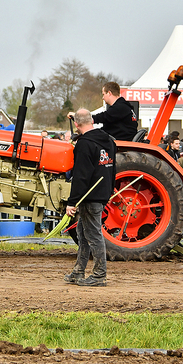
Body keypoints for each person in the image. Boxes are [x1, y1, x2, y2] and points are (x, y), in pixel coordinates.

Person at [63, 108, 116, 287]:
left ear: (76, 124)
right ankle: (78, 271)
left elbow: (81, 176)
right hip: (101, 193)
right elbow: (113, 168)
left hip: (90, 196)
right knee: (83, 233)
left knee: (93, 234)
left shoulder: (84, 144)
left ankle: (100, 275)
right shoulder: (109, 140)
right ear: (92, 120)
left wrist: (71, 202)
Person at [68, 81, 138, 141]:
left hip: (119, 142)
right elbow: (108, 124)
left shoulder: (120, 107)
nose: (103, 98)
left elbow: (101, 117)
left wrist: (78, 116)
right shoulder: (125, 107)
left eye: (103, 94)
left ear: (109, 93)